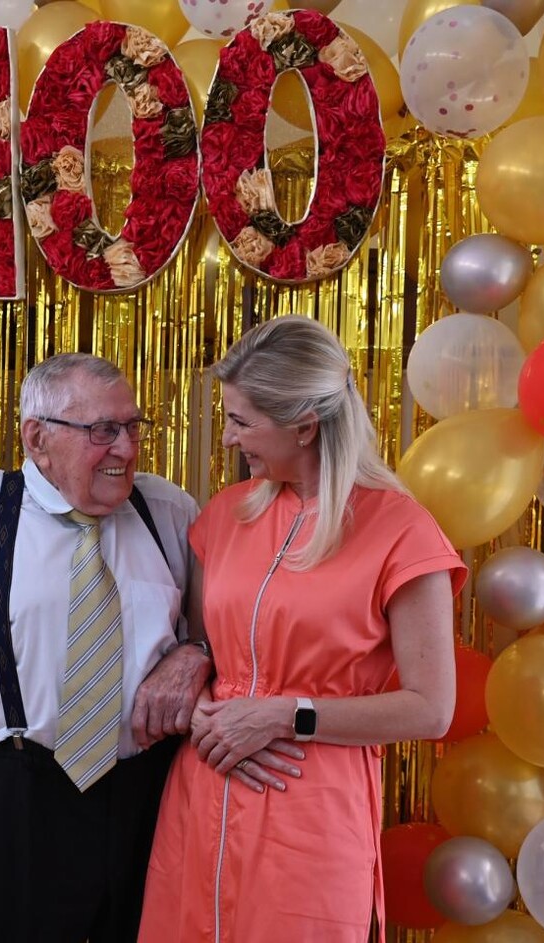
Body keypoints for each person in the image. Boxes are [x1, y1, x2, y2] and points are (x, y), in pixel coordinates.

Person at [138, 316, 468, 942]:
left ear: (305, 426)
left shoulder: (401, 529)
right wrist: (201, 705)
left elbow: (431, 710)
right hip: (204, 786)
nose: (229, 438)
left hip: (310, 802)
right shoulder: (224, 515)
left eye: (241, 422)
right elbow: (204, 647)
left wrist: (289, 715)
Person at [0, 353, 213, 943]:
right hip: (11, 801)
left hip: (149, 797)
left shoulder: (169, 511)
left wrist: (195, 652)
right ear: (38, 439)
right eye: (103, 430)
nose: (126, 448)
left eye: (133, 427)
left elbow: (221, 641)